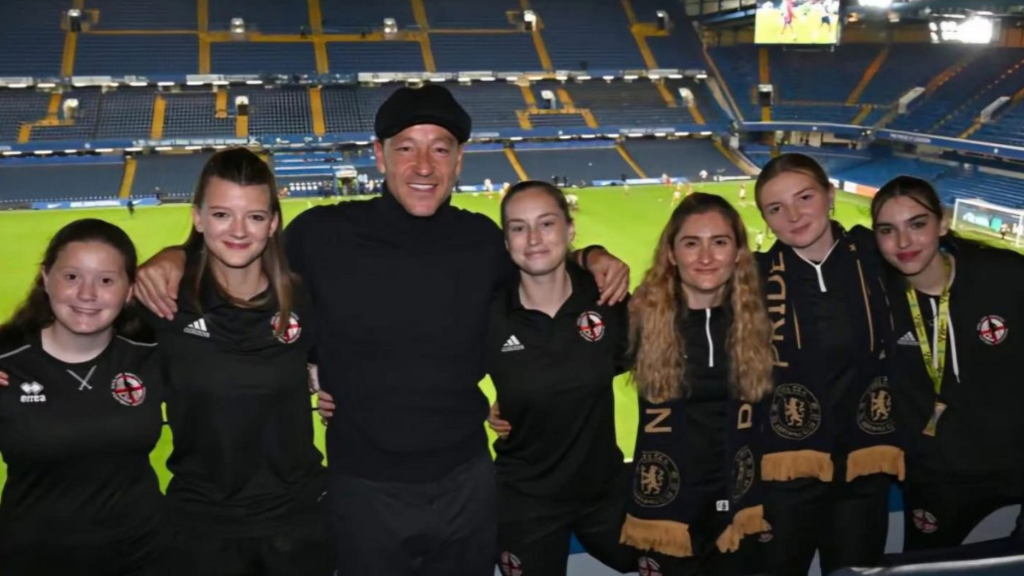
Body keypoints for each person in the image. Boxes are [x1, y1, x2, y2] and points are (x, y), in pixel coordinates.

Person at [133, 85, 629, 576]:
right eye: (406, 148)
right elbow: (238, 248)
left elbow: (541, 265)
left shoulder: (483, 242)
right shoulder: (320, 236)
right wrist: (176, 254)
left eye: (440, 149)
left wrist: (591, 256)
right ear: (378, 155)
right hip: (361, 488)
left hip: (467, 483)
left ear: (459, 161)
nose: (423, 166)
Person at [322, 180, 636, 576]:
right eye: (519, 227)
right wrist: (330, 380)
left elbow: (664, 360)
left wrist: (593, 255)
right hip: (524, 501)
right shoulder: (488, 313)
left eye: (547, 224)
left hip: (606, 492)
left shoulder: (605, 298)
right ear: (506, 242)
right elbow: (416, 363)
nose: (534, 238)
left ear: (570, 230)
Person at [143, 149, 332, 576]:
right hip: (202, 530)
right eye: (223, 214)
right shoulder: (164, 300)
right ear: (198, 218)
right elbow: (71, 328)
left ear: (274, 223)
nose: (239, 231)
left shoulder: (303, 297)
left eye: (255, 217)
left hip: (298, 523)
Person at [754, 153, 902, 576]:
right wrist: (590, 256)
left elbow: (939, 251)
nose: (794, 215)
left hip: (863, 471)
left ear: (830, 195)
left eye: (805, 197)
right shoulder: (751, 276)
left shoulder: (878, 256)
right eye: (776, 208)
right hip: (784, 478)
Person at [0, 219, 163, 576]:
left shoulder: (150, 355)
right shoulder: (8, 366)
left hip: (143, 559)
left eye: (106, 280)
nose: (87, 294)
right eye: (71, 276)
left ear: (130, 289)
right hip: (30, 561)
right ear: (45, 278)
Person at [620, 193, 772, 576]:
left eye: (719, 242)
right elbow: (572, 371)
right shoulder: (639, 318)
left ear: (738, 251)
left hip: (738, 510)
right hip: (665, 515)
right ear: (671, 253)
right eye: (691, 243)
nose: (705, 257)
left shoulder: (760, 320)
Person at [871, 176, 1024, 554]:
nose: (903, 243)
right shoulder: (875, 297)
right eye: (888, 230)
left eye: (917, 224)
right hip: (935, 477)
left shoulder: (1006, 275)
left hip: (1016, 462)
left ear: (942, 223)